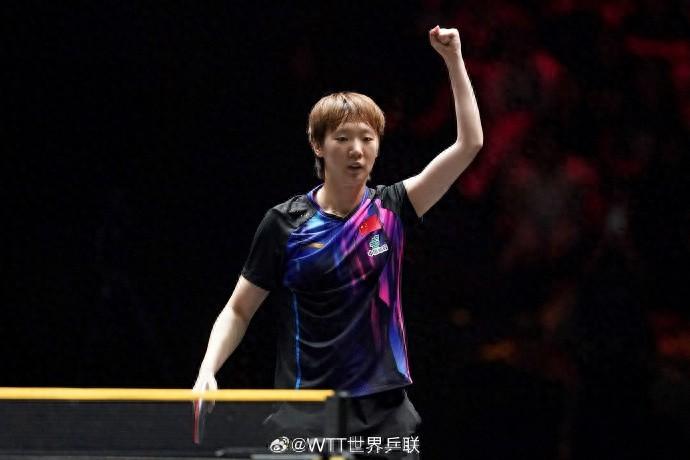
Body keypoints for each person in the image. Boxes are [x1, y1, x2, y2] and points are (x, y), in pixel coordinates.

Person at [193, 25, 482, 458]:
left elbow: (470, 143)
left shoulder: (393, 208)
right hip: (307, 411)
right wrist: (207, 370)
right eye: (342, 138)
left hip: (384, 410)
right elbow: (239, 308)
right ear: (317, 144)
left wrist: (453, 59)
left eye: (367, 138)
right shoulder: (285, 223)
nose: (356, 150)